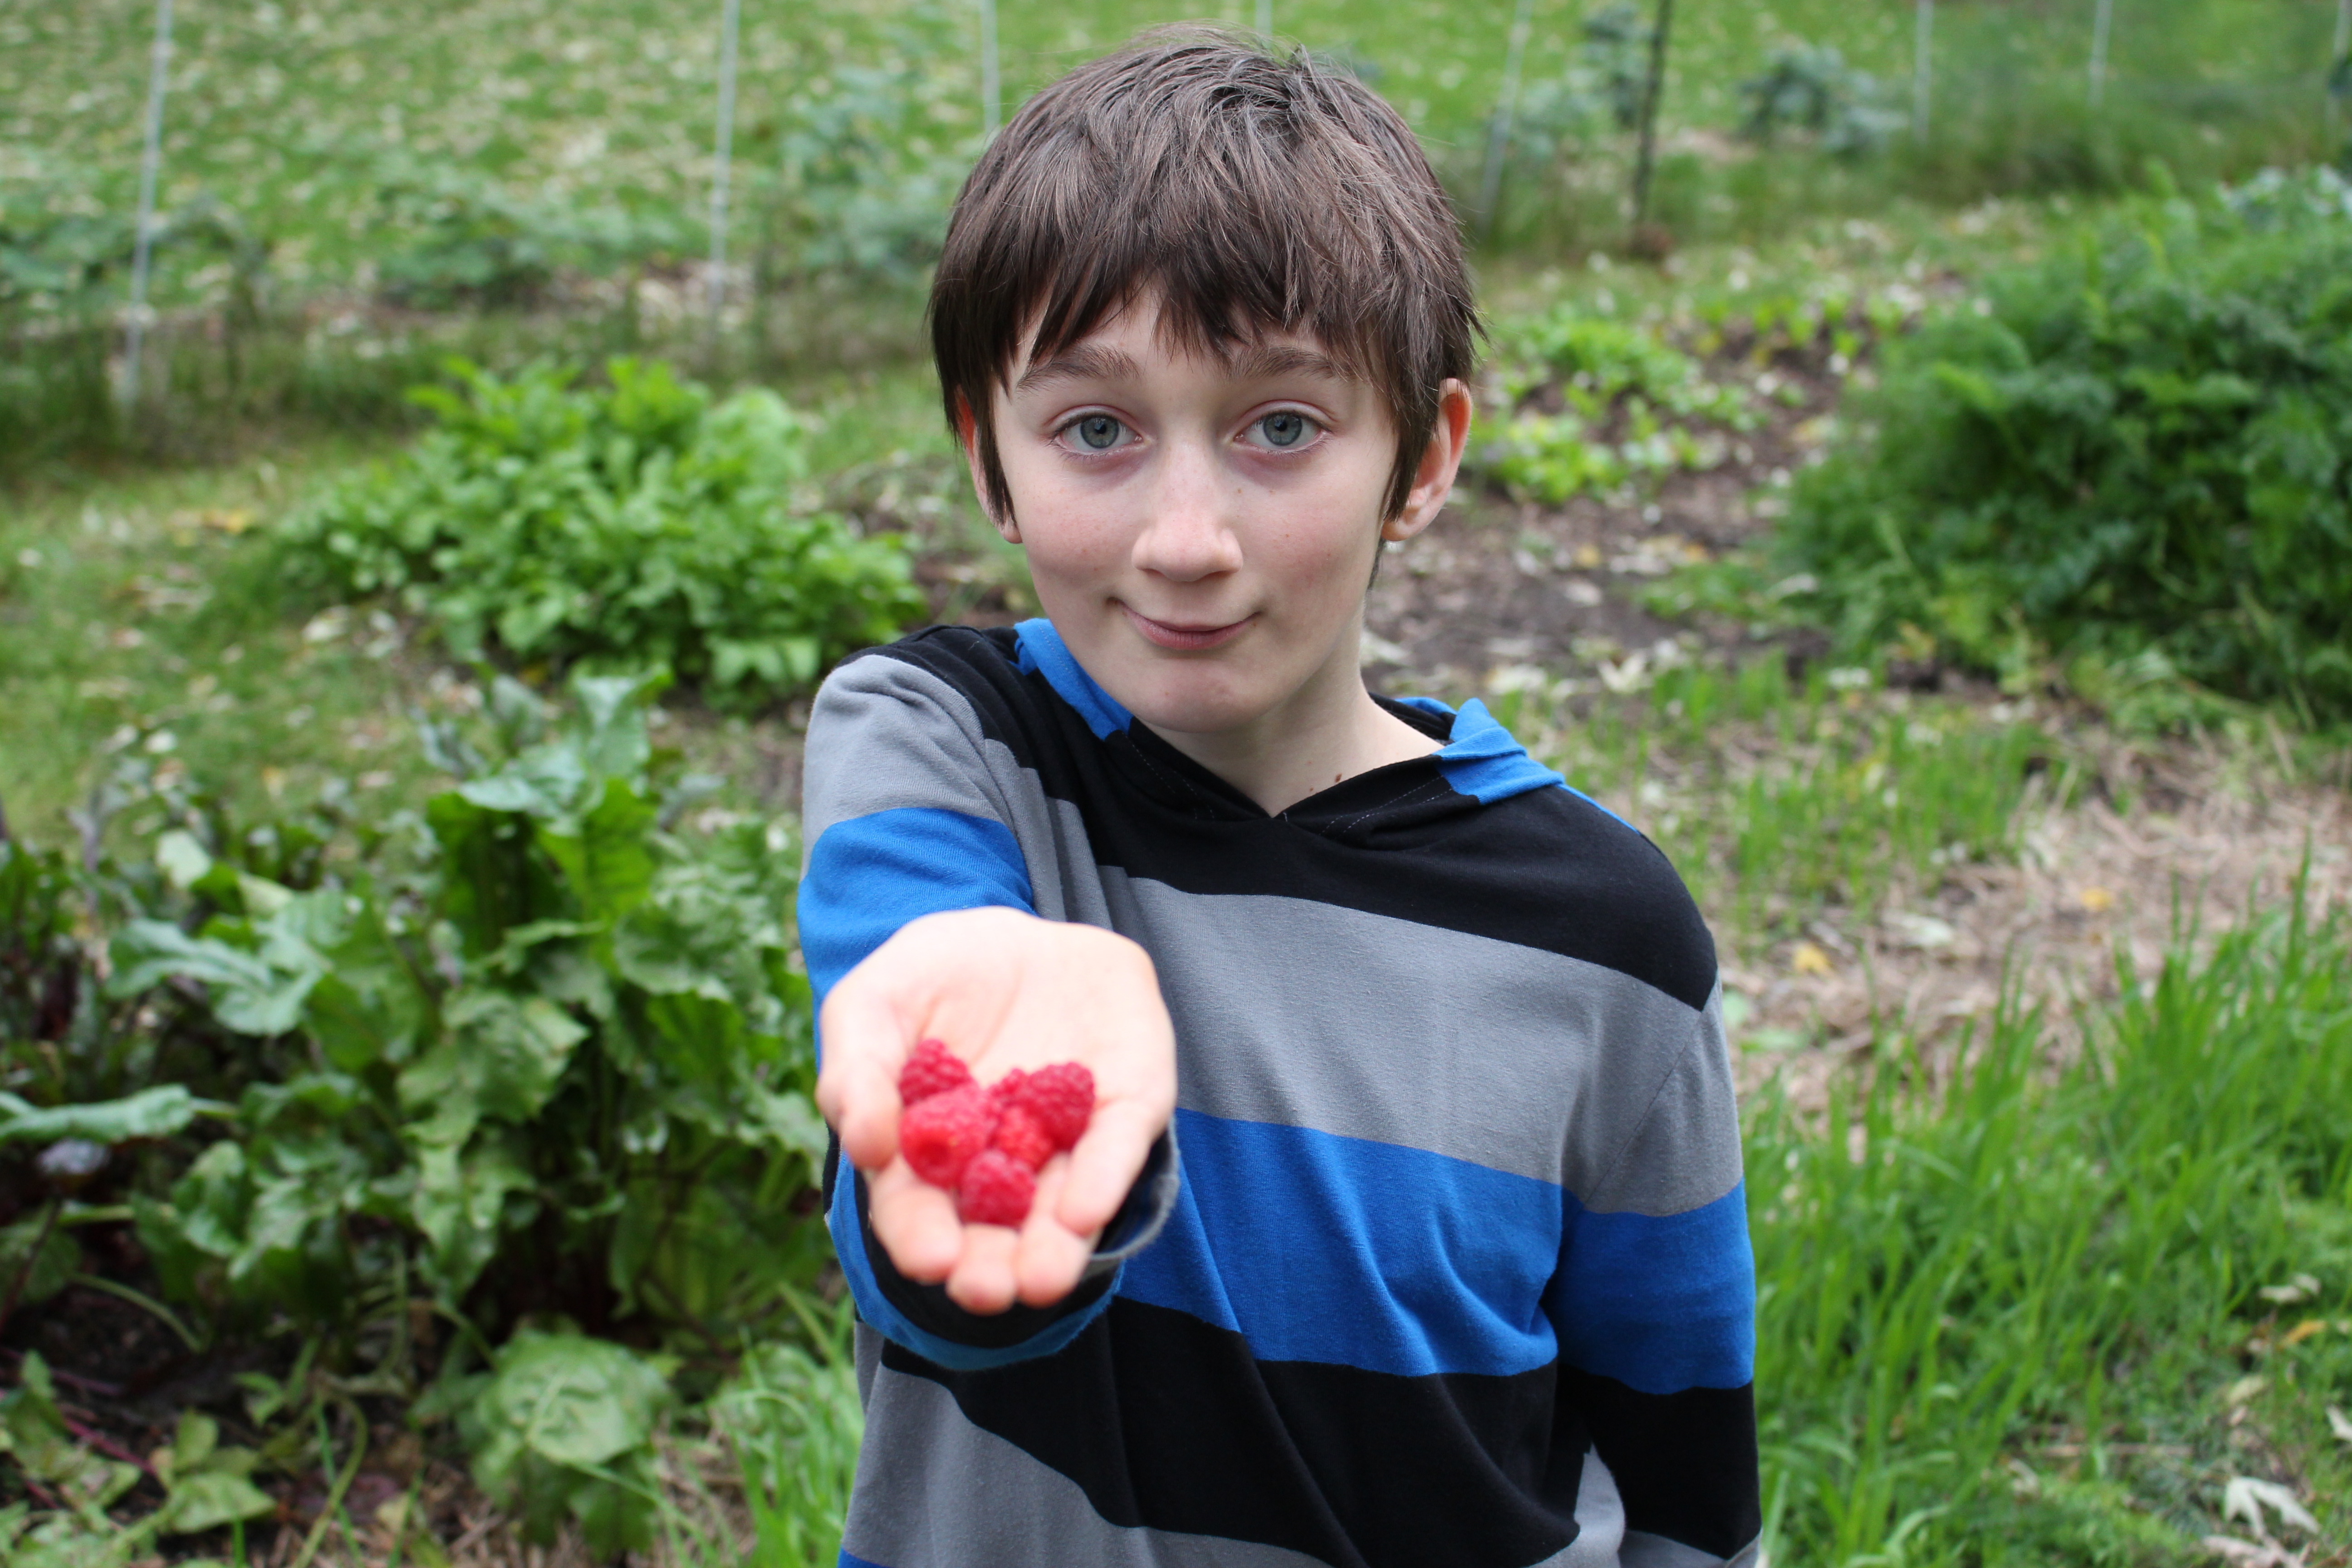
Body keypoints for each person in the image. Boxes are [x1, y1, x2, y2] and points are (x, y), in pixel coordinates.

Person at [802, 29, 1759, 1568]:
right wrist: (975, 1134)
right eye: (1096, 429)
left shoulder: (1607, 941)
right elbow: (946, 1265)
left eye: (1283, 427)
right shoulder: (950, 746)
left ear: (1423, 459)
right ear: (991, 461)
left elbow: (1683, 1476)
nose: (1187, 538)